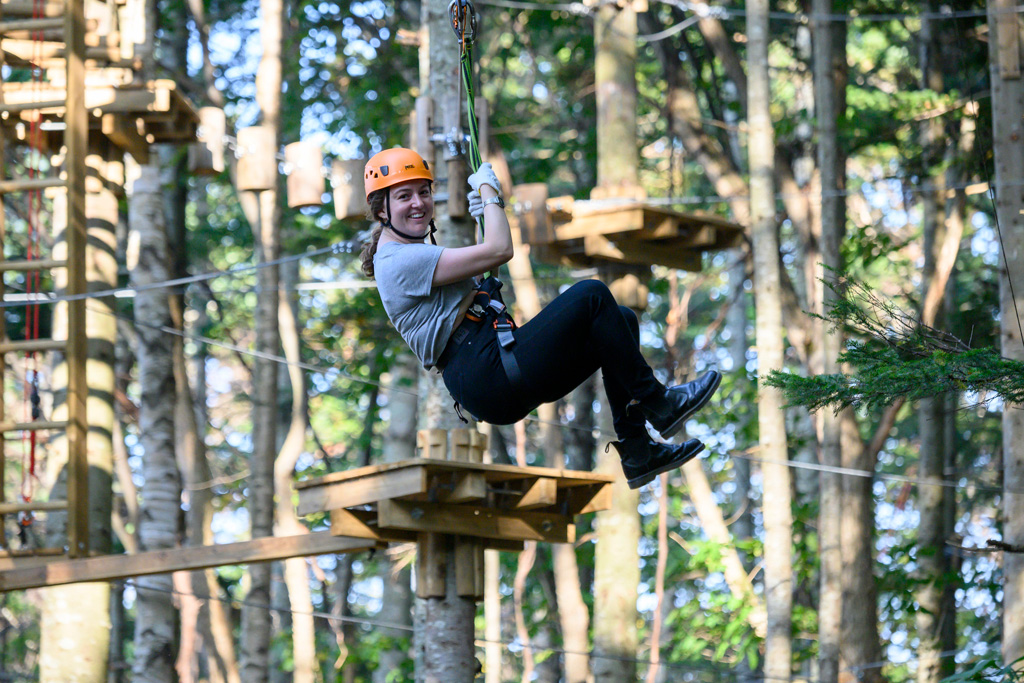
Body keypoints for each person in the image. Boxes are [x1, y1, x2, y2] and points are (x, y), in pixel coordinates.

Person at [359, 147, 721, 489]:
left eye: (423, 192)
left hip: (494, 366)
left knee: (620, 320)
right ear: (382, 210)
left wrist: (488, 213)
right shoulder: (398, 260)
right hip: (488, 372)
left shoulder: (413, 254)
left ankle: (638, 450)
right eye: (404, 196)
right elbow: (500, 250)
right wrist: (489, 194)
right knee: (592, 295)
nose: (419, 203)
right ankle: (659, 403)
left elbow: (487, 259)